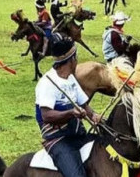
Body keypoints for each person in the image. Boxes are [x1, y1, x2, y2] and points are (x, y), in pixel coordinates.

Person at [34, 34, 101, 177]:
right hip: (59, 140)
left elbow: (84, 105)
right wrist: (70, 113)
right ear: (71, 59)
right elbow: (46, 116)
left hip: (78, 135)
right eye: (76, 57)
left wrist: (94, 115)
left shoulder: (71, 79)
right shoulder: (47, 83)